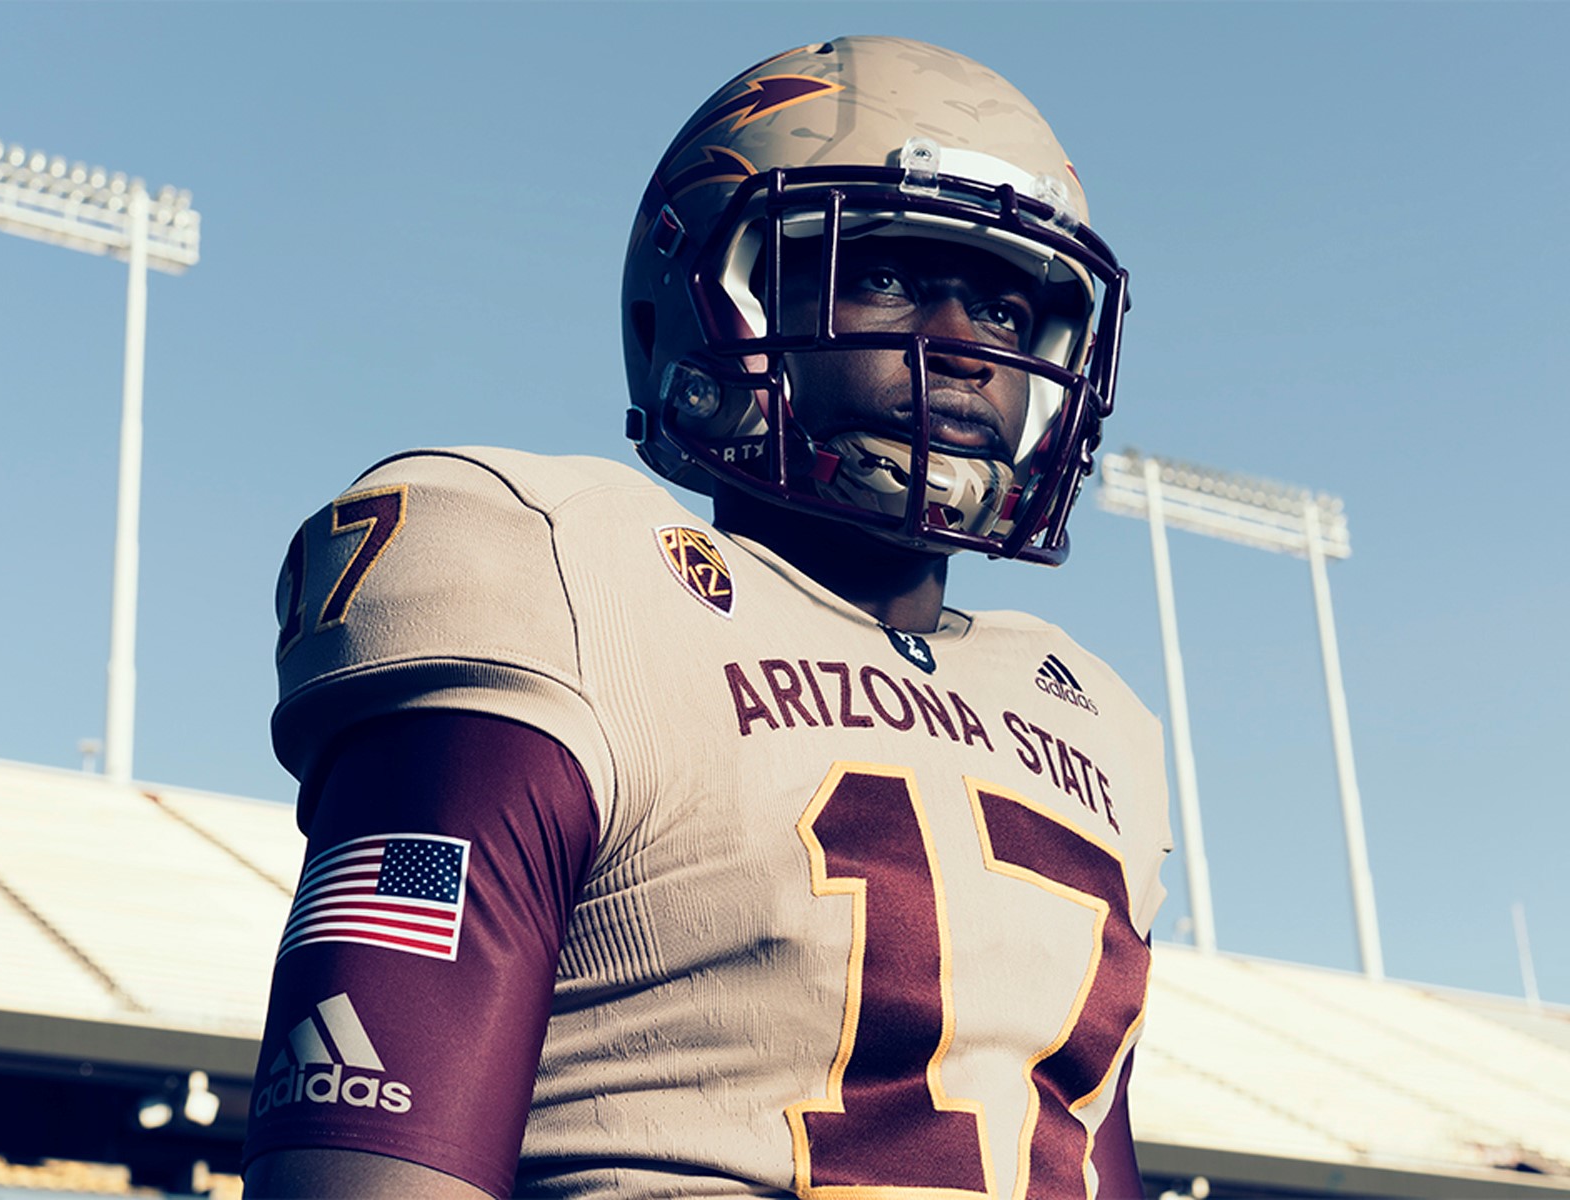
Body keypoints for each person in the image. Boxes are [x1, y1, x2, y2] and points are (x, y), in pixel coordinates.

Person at [243, 34, 1172, 1200]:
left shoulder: (1094, 722)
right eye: (885, 275)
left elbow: (1081, 1151)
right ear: (705, 302)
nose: (963, 348)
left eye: (1002, 306)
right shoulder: (557, 572)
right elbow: (370, 1161)